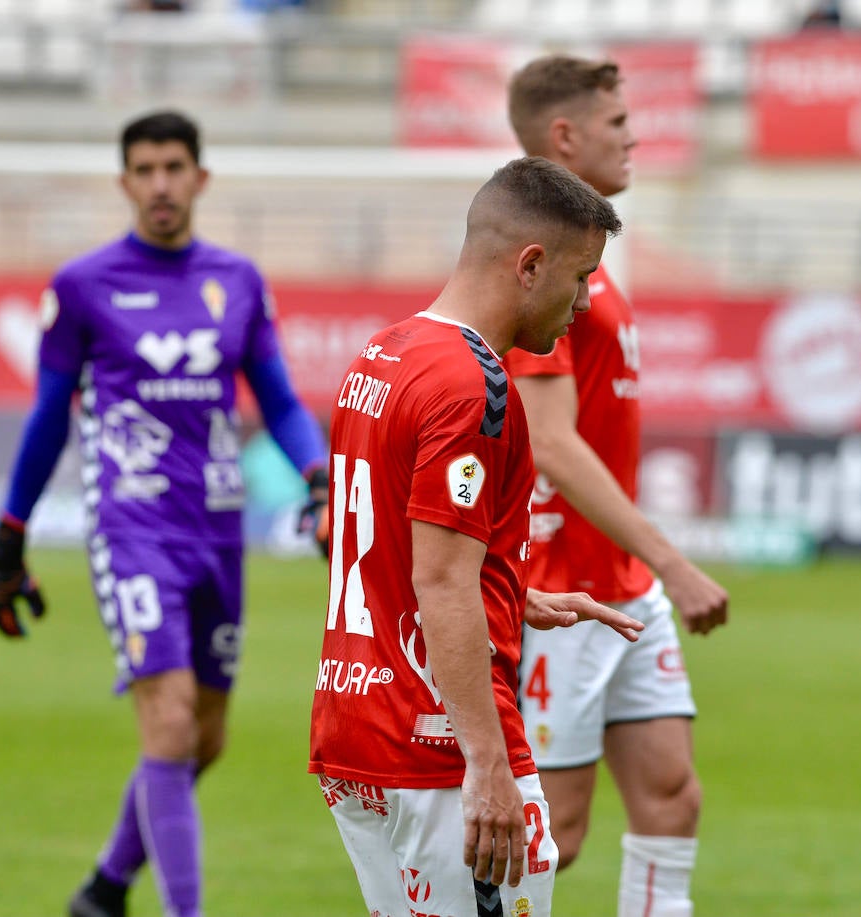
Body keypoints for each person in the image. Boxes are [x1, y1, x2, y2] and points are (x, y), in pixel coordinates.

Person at [0, 110, 330, 917]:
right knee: (167, 727)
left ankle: (103, 888)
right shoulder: (83, 284)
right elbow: (48, 416)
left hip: (219, 528)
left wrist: (319, 475)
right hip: (132, 526)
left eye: (175, 167)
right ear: (125, 181)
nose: (161, 183)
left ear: (200, 178)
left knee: (204, 738)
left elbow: (275, 396)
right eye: (146, 169)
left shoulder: (237, 280)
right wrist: (10, 533)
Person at [309, 157, 645, 917]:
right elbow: (439, 580)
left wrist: (511, 589)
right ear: (530, 265)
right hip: (435, 739)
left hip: (353, 726)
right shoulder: (473, 386)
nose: (585, 302)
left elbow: (378, 545)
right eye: (580, 276)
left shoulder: (383, 353)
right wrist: (488, 764)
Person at [504, 55, 730, 917]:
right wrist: (673, 560)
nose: (634, 138)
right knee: (554, 828)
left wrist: (648, 570)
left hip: (621, 583)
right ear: (565, 134)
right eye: (617, 125)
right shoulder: (539, 265)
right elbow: (551, 445)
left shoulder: (594, 256)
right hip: (561, 585)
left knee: (672, 795)